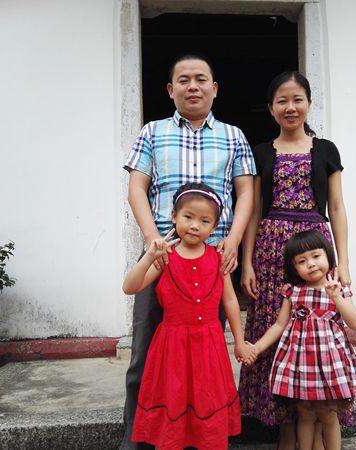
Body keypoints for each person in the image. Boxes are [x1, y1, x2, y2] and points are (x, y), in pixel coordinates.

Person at [121, 54, 255, 449]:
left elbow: (245, 191)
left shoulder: (233, 136)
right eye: (183, 80)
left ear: (215, 88)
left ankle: (200, 437)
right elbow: (136, 188)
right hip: (162, 261)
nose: (192, 86)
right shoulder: (152, 132)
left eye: (201, 79)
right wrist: (152, 241)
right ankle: (138, 440)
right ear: (170, 89)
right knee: (145, 356)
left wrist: (231, 241)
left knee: (205, 359)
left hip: (213, 262)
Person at [238, 71, 352, 449]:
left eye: (297, 99)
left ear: (308, 103)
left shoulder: (326, 150)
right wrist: (249, 262)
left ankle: (320, 423)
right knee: (277, 330)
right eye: (282, 100)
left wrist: (344, 262)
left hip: (316, 249)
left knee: (316, 336)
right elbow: (253, 210)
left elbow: (336, 207)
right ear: (271, 109)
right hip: (270, 254)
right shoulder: (261, 152)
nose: (290, 107)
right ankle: (283, 427)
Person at [123, 183, 254, 450]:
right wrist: (149, 255)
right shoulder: (165, 258)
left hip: (209, 348)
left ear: (214, 226)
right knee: (174, 400)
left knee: (206, 400)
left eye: (204, 220)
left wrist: (239, 340)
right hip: (172, 349)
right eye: (188, 217)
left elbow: (229, 300)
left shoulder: (218, 258)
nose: (195, 225)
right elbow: (130, 287)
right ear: (173, 217)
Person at [242, 230, 356, 450]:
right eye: (302, 261)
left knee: (329, 415)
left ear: (328, 255)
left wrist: (337, 297)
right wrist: (258, 346)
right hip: (301, 364)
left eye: (316, 256)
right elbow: (280, 325)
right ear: (294, 268)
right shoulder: (293, 292)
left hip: (330, 364)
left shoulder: (338, 289)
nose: (310, 264)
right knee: (305, 414)